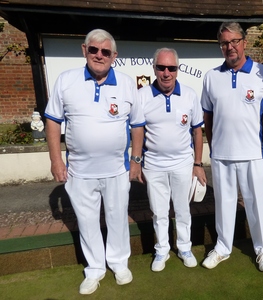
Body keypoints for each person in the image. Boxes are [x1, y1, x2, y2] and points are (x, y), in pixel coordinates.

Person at [44, 29, 145, 295]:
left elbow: (137, 126)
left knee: (117, 219)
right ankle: (95, 269)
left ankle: (119, 263)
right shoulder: (66, 80)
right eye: (94, 50)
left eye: (105, 51)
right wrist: (56, 160)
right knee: (87, 221)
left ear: (114, 56)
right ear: (84, 50)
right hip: (79, 171)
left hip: (117, 170)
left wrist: (135, 160)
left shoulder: (126, 83)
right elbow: (53, 121)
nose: (99, 55)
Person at [201, 22, 263, 271]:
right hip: (221, 155)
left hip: (253, 153)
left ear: (244, 42)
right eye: (224, 43)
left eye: (234, 41)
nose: (229, 47)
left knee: (256, 204)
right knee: (224, 203)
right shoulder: (211, 77)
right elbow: (208, 117)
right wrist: (213, 147)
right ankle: (223, 247)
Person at [138, 48, 206, 272]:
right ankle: (162, 250)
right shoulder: (143, 96)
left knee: (182, 208)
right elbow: (137, 131)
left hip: (183, 163)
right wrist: (136, 161)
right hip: (154, 164)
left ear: (177, 69)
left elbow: (197, 131)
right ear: (154, 68)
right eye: (161, 67)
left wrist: (198, 164)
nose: (166, 73)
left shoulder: (189, 95)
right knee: (158, 211)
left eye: (171, 68)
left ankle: (185, 247)